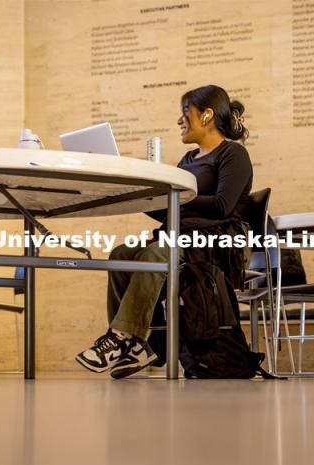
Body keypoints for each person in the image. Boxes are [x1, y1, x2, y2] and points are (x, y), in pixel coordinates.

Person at [76, 85, 253, 379]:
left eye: (185, 112)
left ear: (207, 115)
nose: (179, 120)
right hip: (181, 239)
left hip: (217, 242)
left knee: (157, 253)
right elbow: (168, 209)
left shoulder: (233, 154)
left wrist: (177, 197)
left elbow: (223, 206)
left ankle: (120, 336)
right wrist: (139, 194)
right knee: (121, 254)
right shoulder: (187, 161)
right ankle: (139, 345)